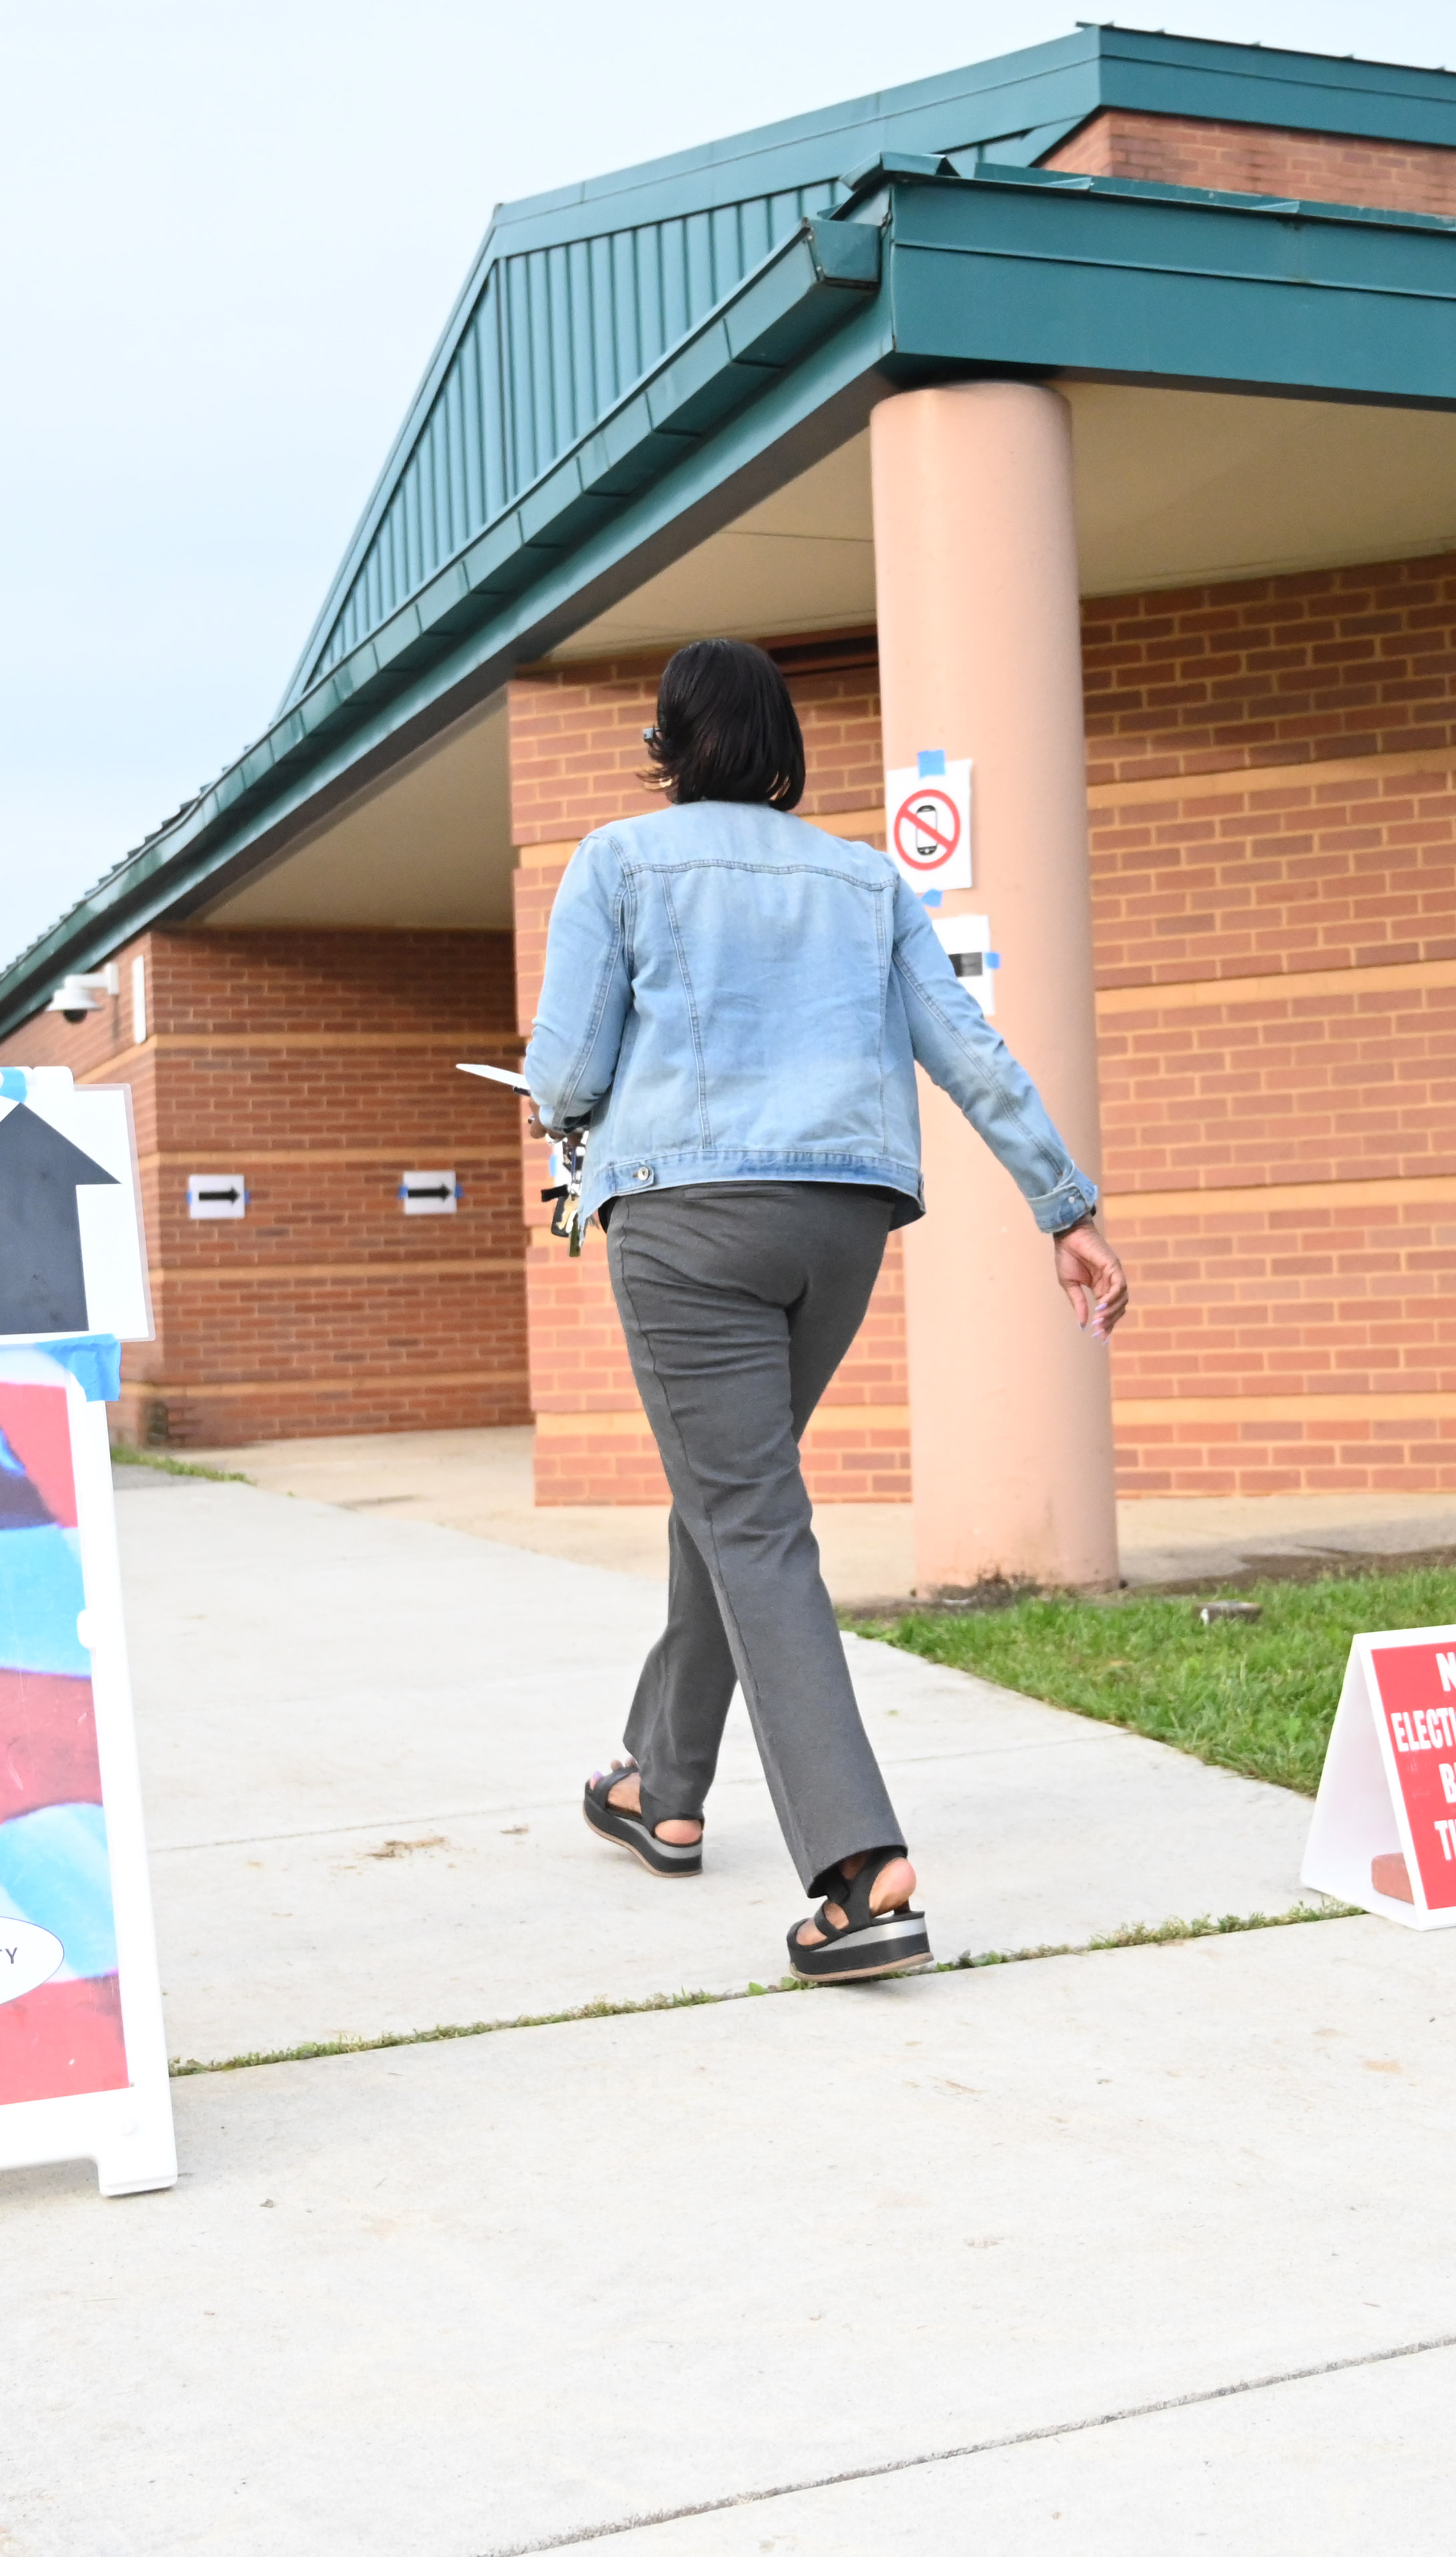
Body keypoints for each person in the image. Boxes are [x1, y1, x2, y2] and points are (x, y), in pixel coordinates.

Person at [521, 637, 1129, 1982]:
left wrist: (569, 1119)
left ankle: (861, 1871)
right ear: (783, 745)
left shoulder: (617, 862)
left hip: (687, 1218)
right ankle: (662, 1785)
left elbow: (563, 1061)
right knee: (728, 1493)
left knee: (746, 1516)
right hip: (841, 1224)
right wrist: (1064, 1207)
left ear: (666, 747)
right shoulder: (869, 877)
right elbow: (966, 1048)